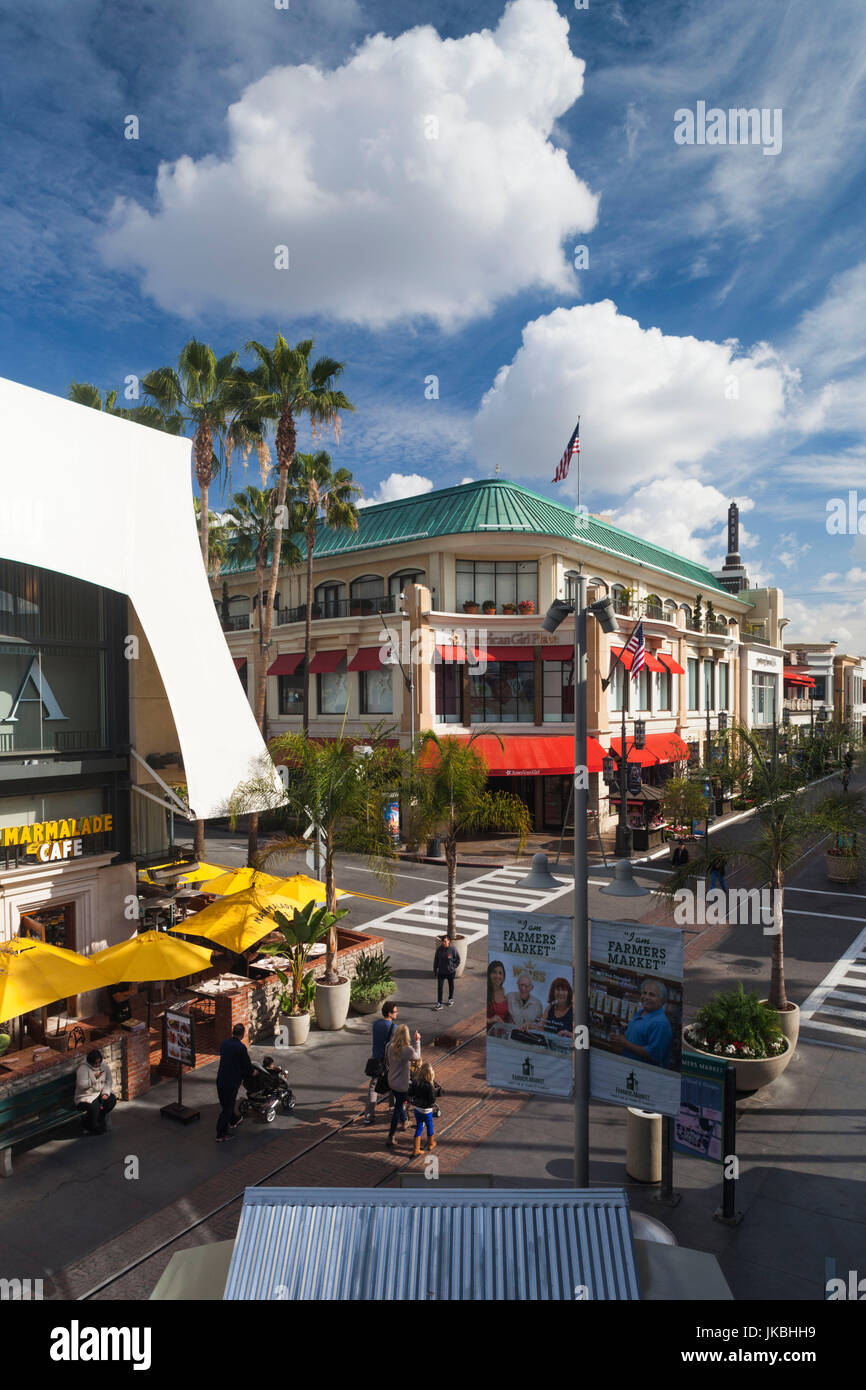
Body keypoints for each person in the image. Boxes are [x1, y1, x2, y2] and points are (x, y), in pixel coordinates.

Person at [607, 978, 673, 1069]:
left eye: (652, 995)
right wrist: (620, 1039)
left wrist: (625, 1043)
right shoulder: (641, 1012)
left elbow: (653, 1055)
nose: (646, 997)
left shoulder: (660, 1023)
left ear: (661, 1000)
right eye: (644, 993)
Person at [384, 1023, 421, 1148]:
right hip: (402, 1084)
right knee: (398, 1107)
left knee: (399, 1103)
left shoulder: (389, 1046)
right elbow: (418, 1057)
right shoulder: (407, 1049)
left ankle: (405, 1121)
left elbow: (387, 1062)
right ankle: (391, 1135)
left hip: (391, 1081)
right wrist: (418, 1041)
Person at [215, 1022, 253, 1142]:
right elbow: (246, 1065)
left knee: (226, 1103)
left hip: (221, 1079)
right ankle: (221, 1134)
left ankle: (234, 1120)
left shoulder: (225, 1043)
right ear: (242, 1034)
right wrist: (253, 1072)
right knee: (227, 1108)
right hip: (232, 1082)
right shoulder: (241, 1048)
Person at [364, 1001, 398, 1124]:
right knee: (394, 1084)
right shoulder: (394, 1028)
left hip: (376, 1060)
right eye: (395, 1011)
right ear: (389, 1013)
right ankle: (392, 1108)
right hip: (388, 1062)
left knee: (373, 1087)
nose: (397, 1013)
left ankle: (368, 1115)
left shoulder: (376, 1024)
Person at [75, 1048, 117, 1135]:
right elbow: (82, 1085)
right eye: (95, 1063)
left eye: (99, 1062)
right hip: (85, 1096)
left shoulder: (104, 1066)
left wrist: (105, 1092)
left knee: (111, 1100)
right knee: (94, 1107)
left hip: (99, 1093)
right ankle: (90, 1125)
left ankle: (99, 1119)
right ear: (90, 1062)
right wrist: (94, 1078)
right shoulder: (83, 1069)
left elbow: (108, 1081)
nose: (97, 1065)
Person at [410, 1061, 439, 1157]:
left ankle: (416, 1149)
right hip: (427, 1111)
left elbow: (410, 1093)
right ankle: (431, 1143)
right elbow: (432, 1100)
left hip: (417, 1109)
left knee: (419, 1127)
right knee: (429, 1126)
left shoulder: (416, 1082)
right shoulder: (429, 1086)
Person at [433, 934, 460, 1010]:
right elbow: (436, 960)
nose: (443, 943)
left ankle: (450, 998)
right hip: (441, 972)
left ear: (449, 941)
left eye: (445, 941)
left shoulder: (453, 949)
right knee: (440, 988)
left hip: (450, 972)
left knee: (451, 985)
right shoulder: (439, 949)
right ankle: (439, 1003)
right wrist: (435, 970)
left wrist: (453, 967)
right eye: (442, 942)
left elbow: (458, 960)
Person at [486, 960, 511, 1036]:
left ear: (503, 977)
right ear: (489, 974)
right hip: (486, 1034)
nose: (497, 976)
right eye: (494, 972)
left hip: (501, 1034)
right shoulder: (485, 990)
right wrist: (490, 1020)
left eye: (500, 973)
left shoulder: (504, 992)